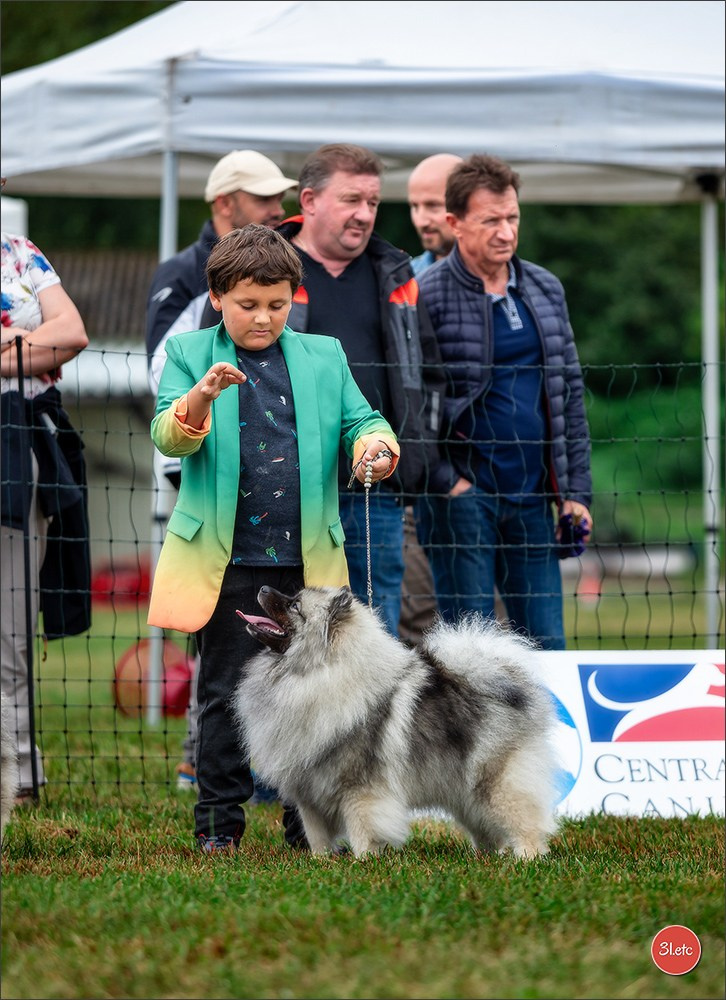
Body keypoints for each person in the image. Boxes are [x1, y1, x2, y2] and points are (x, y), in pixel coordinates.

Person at [146, 224, 400, 853]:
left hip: (308, 562)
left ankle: (305, 830)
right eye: (248, 305)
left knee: (313, 700)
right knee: (224, 694)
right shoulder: (189, 355)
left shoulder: (324, 355)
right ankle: (218, 828)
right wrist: (201, 397)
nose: (263, 318)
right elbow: (167, 437)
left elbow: (362, 418)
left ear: (295, 297)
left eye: (277, 305)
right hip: (226, 561)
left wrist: (375, 445)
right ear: (216, 296)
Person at [145, 150, 297, 792]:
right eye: (262, 198)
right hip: (202, 471)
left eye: (278, 197)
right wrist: (205, 396)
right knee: (223, 641)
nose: (276, 208)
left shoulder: (279, 266)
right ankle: (204, 764)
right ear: (222, 204)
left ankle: (278, 773)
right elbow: (159, 372)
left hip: (280, 488)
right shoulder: (182, 276)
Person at [417, 154, 593, 650]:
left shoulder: (544, 287)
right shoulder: (424, 295)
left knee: (547, 648)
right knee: (470, 658)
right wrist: (448, 483)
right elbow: (406, 401)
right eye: (490, 220)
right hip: (461, 500)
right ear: (454, 224)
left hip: (534, 498)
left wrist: (576, 490)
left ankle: (548, 734)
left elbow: (568, 392)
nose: (505, 231)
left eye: (512, 217)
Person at [277, 144, 448, 638]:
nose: (364, 214)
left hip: (376, 491)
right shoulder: (261, 269)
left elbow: (427, 377)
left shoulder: (395, 273)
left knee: (376, 634)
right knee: (291, 634)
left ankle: (371, 721)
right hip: (288, 491)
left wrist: (415, 457)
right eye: (352, 199)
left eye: (373, 202)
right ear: (309, 200)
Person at [1, 198, 90, 804]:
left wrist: (13, 345)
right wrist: (30, 343)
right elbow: (51, 339)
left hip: (21, 441)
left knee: (11, 623)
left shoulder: (20, 252)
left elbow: (74, 333)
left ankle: (16, 772)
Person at [399, 153, 464, 643]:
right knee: (418, 619)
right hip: (419, 483)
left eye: (434, 204)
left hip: (488, 483)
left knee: (496, 623)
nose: (422, 217)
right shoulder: (402, 284)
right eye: (414, 204)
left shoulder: (511, 287)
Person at [407, 152, 463, 276]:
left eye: (433, 206)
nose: (421, 222)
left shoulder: (510, 280)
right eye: (415, 206)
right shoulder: (404, 280)